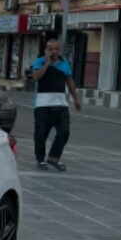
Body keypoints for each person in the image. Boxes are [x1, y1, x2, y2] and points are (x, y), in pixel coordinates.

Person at [30, 38, 81, 171]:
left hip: (60, 104)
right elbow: (36, 76)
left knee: (64, 131)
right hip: (42, 104)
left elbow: (70, 81)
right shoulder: (39, 61)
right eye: (50, 49)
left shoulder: (64, 63)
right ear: (46, 50)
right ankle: (40, 160)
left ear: (59, 50)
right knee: (41, 133)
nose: (53, 51)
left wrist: (75, 98)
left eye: (56, 49)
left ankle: (54, 158)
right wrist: (47, 63)